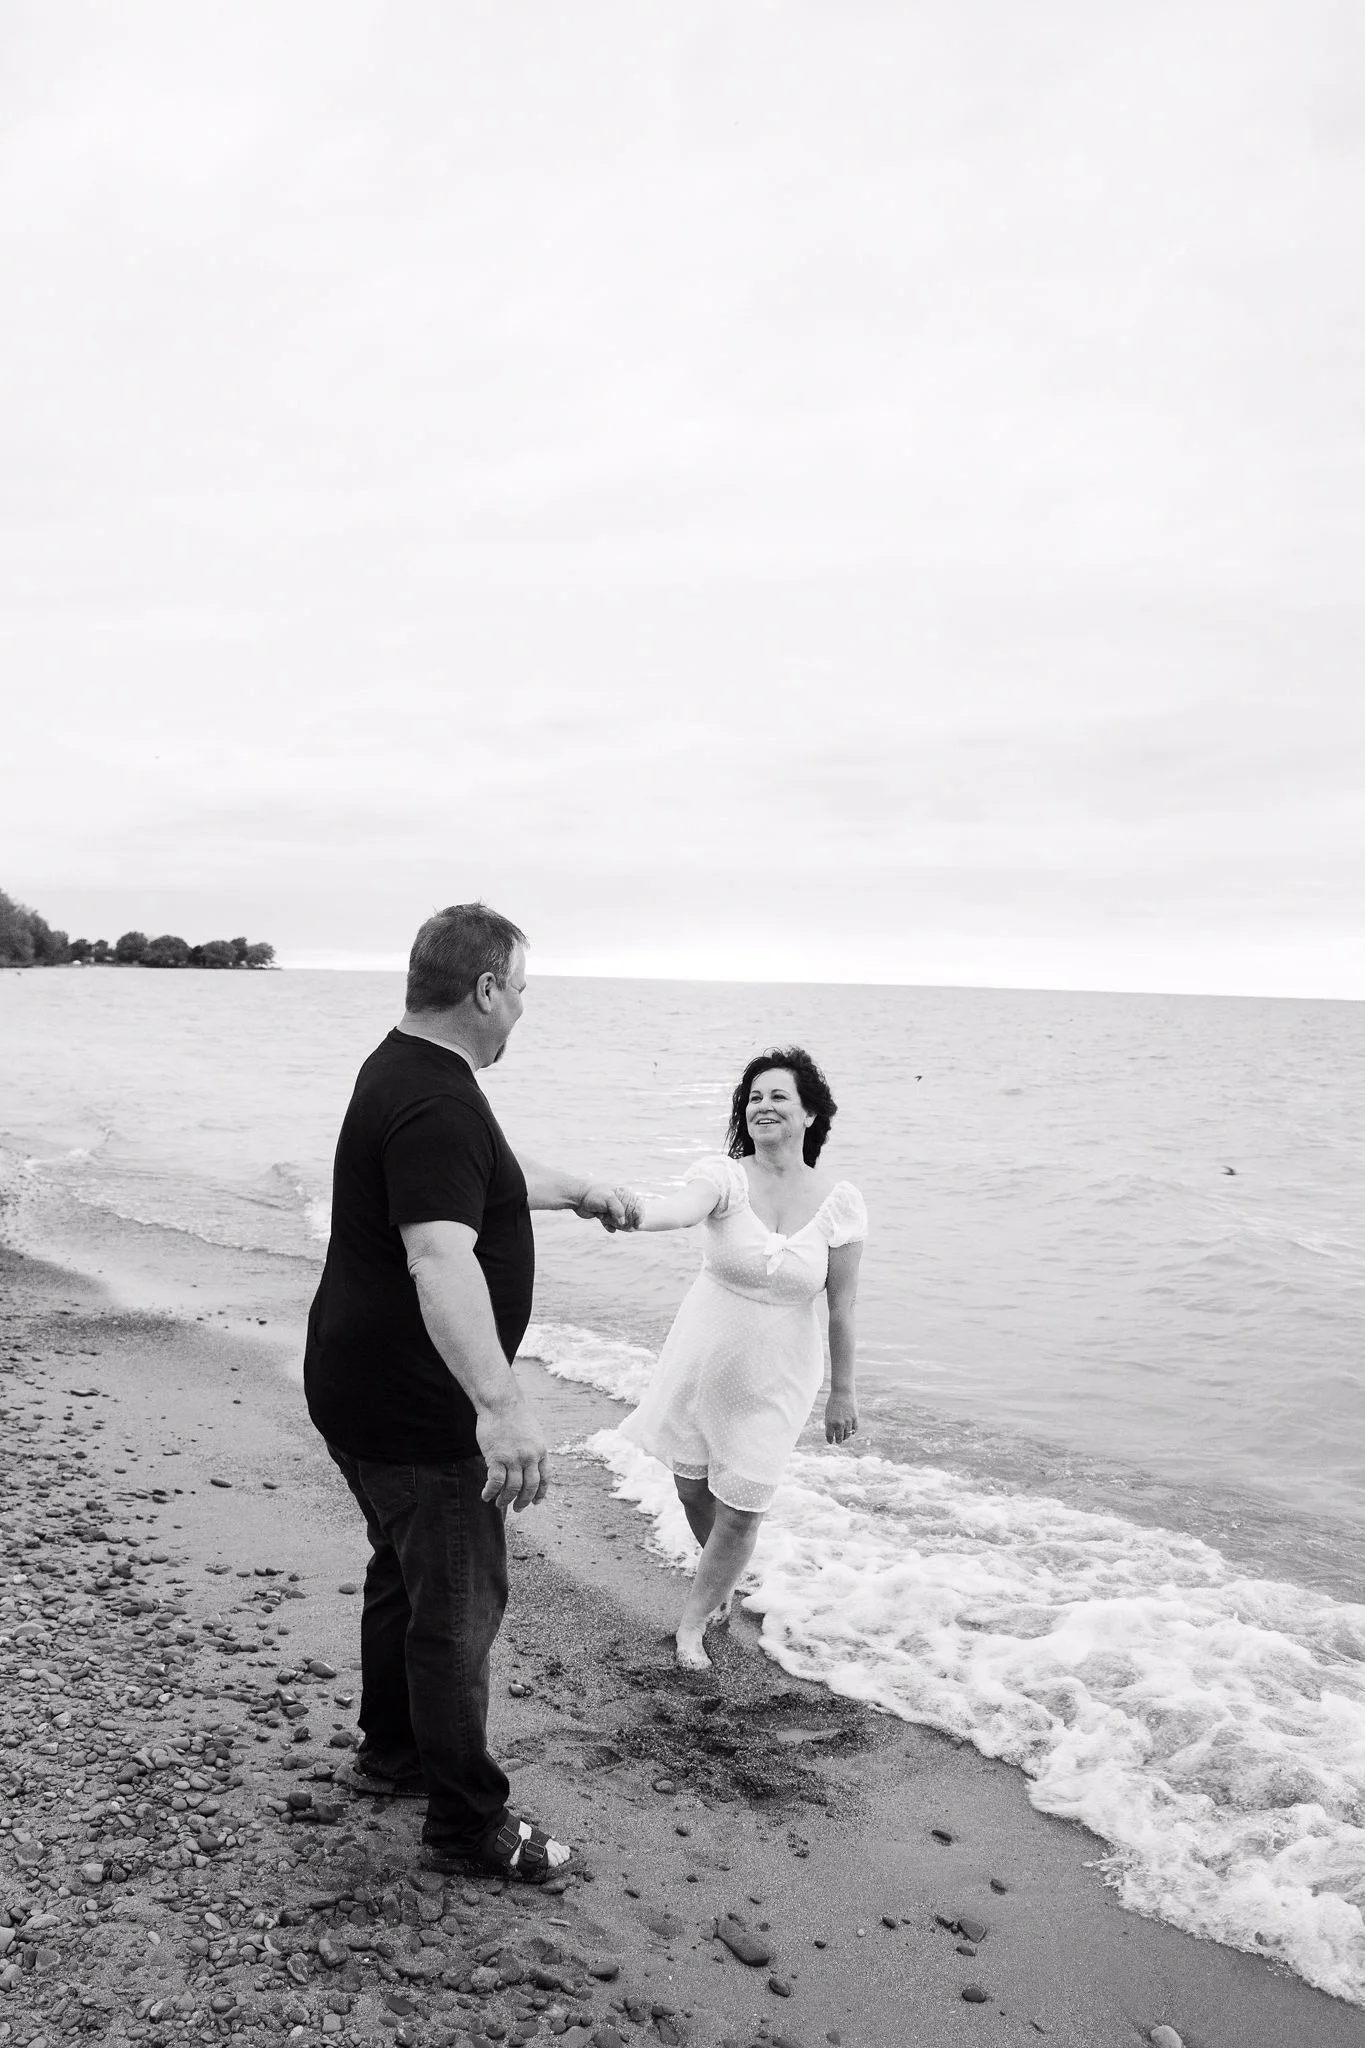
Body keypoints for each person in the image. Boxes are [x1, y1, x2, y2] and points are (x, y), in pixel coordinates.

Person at [303, 902, 635, 1881]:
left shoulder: (404, 1066)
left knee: (404, 1574)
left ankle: (394, 1755)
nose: (524, 1010)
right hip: (416, 1408)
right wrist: (500, 1405)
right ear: (486, 989)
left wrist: (576, 1187)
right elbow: (440, 1253)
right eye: (521, 990)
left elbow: (469, 1172)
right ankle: (466, 1828)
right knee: (458, 1607)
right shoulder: (439, 1095)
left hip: (354, 1386)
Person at [618, 1046, 865, 1670]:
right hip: (701, 1365)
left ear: (811, 1113)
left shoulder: (840, 1202)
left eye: (779, 1096)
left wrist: (844, 1391)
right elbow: (678, 1211)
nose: (763, 1106)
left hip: (780, 1378)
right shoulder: (724, 1178)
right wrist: (629, 1211)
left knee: (743, 1504)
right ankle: (721, 1583)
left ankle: (694, 1623)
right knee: (693, 1489)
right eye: (753, 1097)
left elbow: (840, 1309)